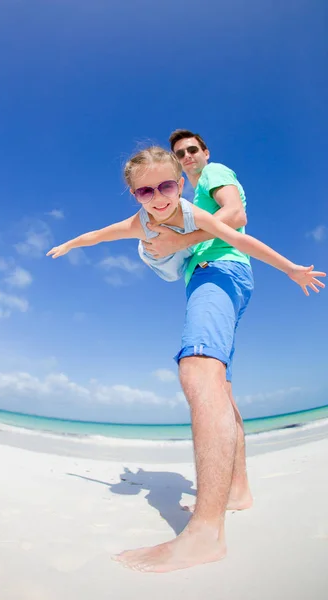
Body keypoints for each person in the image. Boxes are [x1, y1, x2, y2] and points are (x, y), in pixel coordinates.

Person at [47, 145, 325, 572]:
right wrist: (69, 243)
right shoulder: (138, 221)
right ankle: (237, 491)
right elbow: (98, 235)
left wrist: (291, 268)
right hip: (185, 268)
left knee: (197, 367)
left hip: (216, 272)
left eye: (167, 185)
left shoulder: (197, 213)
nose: (158, 197)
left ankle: (205, 535)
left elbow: (239, 236)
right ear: (134, 196)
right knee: (220, 385)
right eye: (145, 191)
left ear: (181, 184)